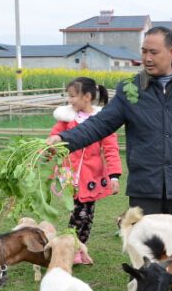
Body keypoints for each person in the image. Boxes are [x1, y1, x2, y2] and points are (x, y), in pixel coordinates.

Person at [46, 26, 172, 224]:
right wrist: (63, 139)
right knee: (145, 250)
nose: (147, 58)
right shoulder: (130, 89)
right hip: (145, 187)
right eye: (144, 51)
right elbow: (99, 124)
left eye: (153, 52)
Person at [49, 76, 122, 256]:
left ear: (87, 97)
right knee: (80, 213)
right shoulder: (66, 120)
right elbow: (53, 140)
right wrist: (47, 151)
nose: (70, 100)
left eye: (73, 96)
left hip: (91, 176)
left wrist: (114, 176)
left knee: (85, 215)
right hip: (69, 174)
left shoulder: (102, 121)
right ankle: (72, 249)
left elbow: (111, 149)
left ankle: (74, 249)